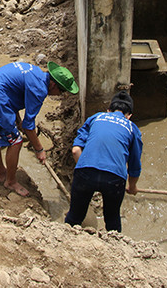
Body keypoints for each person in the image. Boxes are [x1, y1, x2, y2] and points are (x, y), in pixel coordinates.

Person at [0, 61, 79, 196]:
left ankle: (3, 173)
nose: (60, 95)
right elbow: (29, 126)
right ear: (53, 85)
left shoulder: (36, 72)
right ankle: (10, 181)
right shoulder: (39, 89)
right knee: (16, 141)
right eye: (61, 91)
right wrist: (39, 149)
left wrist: (18, 122)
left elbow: (11, 93)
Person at [65, 92, 143, 233]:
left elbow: (75, 151)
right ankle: (115, 244)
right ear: (129, 115)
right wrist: (132, 187)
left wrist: (84, 169)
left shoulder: (95, 117)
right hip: (114, 178)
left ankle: (65, 238)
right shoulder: (132, 128)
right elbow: (134, 165)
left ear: (108, 110)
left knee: (74, 216)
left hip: (86, 171)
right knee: (112, 221)